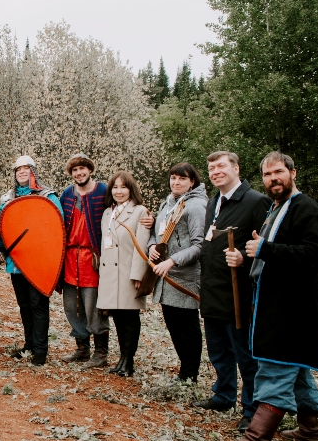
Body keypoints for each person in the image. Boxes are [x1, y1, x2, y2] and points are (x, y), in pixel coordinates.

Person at [213, 152, 318, 441]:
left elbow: (314, 254)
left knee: (276, 368)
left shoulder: (307, 209)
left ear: (293, 172)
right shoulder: (276, 208)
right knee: (298, 367)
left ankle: (256, 440)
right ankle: (311, 429)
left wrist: (266, 249)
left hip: (293, 308)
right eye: (267, 175)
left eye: (278, 172)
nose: (272, 179)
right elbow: (270, 251)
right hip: (273, 303)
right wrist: (255, 251)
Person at [195, 151, 272, 433]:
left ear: (236, 168)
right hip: (213, 289)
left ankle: (251, 409)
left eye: (221, 166)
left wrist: (244, 257)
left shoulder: (256, 202)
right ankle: (223, 395)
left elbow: (266, 247)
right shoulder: (214, 202)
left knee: (245, 355)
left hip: (240, 293)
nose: (216, 172)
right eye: (211, 168)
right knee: (218, 350)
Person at [0, 156, 64, 366]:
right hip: (16, 260)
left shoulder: (47, 196)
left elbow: (56, 226)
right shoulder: (7, 199)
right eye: (18, 169)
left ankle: (41, 350)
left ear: (33, 170)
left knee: (38, 304)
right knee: (24, 305)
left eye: (26, 168)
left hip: (39, 260)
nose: (22, 172)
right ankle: (29, 344)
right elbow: (2, 227)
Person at [146, 163, 208, 381]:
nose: (176, 182)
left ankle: (190, 375)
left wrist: (172, 261)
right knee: (173, 326)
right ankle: (184, 371)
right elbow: (156, 234)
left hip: (185, 278)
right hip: (166, 277)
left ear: (192, 181)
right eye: (173, 178)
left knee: (188, 329)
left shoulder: (196, 206)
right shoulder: (168, 204)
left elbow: (199, 245)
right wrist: (152, 246)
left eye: (182, 178)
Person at [95, 171, 150, 375]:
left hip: (128, 274)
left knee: (130, 318)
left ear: (131, 189)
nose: (119, 191)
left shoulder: (140, 212)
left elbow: (141, 246)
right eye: (115, 187)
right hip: (110, 275)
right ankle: (121, 359)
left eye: (123, 187)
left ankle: (129, 360)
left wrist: (138, 275)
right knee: (117, 318)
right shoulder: (108, 213)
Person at [57, 153, 111, 365]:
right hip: (71, 256)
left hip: (93, 256)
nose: (79, 173)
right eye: (75, 170)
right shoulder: (67, 194)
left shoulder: (104, 190)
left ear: (90, 170)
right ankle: (82, 349)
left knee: (93, 305)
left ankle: (101, 353)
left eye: (82, 169)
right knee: (72, 305)